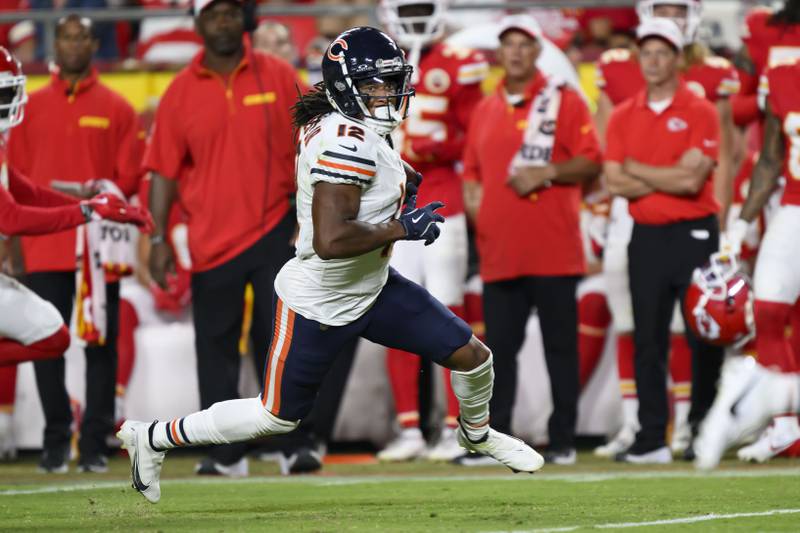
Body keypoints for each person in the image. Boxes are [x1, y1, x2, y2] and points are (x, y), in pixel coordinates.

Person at [119, 26, 544, 505]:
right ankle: (152, 437)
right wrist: (402, 227)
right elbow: (331, 239)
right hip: (319, 300)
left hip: (373, 286)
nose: (389, 92)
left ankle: (477, 433)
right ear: (347, 88)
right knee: (275, 417)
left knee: (473, 357)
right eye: (376, 84)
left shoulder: (352, 125)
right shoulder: (346, 141)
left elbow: (361, 185)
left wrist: (398, 183)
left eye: (391, 80)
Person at [144, 0, 303, 476]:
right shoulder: (179, 92)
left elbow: (312, 142)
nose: (223, 21)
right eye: (213, 13)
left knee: (280, 343)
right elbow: (162, 172)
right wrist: (156, 240)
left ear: (246, 19)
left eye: (232, 12)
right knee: (215, 349)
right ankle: (226, 453)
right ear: (197, 23)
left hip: (276, 228)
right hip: (211, 237)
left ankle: (293, 443)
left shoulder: (278, 74)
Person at [592, 0, 740, 459]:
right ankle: (652, 435)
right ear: (639, 58)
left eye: (662, 53)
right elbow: (614, 179)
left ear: (678, 57)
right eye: (647, 54)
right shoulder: (622, 114)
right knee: (648, 336)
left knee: (703, 335)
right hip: (646, 235)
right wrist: (663, 174)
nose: (654, 62)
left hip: (694, 232)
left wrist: (640, 172)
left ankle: (699, 428)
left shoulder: (699, 108)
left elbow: (693, 179)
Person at [7, 14, 147, 474]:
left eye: (80, 36)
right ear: (55, 41)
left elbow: (129, 176)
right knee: (45, 339)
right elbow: (16, 192)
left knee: (99, 343)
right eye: (64, 36)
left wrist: (102, 195)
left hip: (97, 248)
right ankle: (54, 439)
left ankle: (94, 442)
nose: (72, 44)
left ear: (93, 42)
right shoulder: (29, 108)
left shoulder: (118, 107)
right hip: (45, 243)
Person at [462, 15, 602, 466]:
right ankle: (494, 442)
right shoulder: (484, 109)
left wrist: (548, 172)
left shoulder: (563, 102)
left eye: (525, 44)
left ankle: (563, 440)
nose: (517, 52)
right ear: (499, 54)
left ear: (538, 51)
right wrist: (480, 218)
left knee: (561, 349)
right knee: (496, 355)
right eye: (509, 45)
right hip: (500, 253)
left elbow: (591, 161)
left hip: (554, 251)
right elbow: (473, 179)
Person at [375, 0, 489, 462]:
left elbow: (478, 133)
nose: (415, 17)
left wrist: (440, 144)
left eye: (422, 6)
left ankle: (452, 427)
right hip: (391, 205)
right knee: (393, 315)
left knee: (448, 313)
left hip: (444, 200)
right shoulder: (376, 62)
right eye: (408, 7)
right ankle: (409, 429)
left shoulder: (459, 64)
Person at [693, 57, 800, 470]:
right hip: (792, 206)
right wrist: (739, 226)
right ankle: (784, 423)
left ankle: (772, 397)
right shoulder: (785, 76)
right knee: (768, 308)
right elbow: (771, 158)